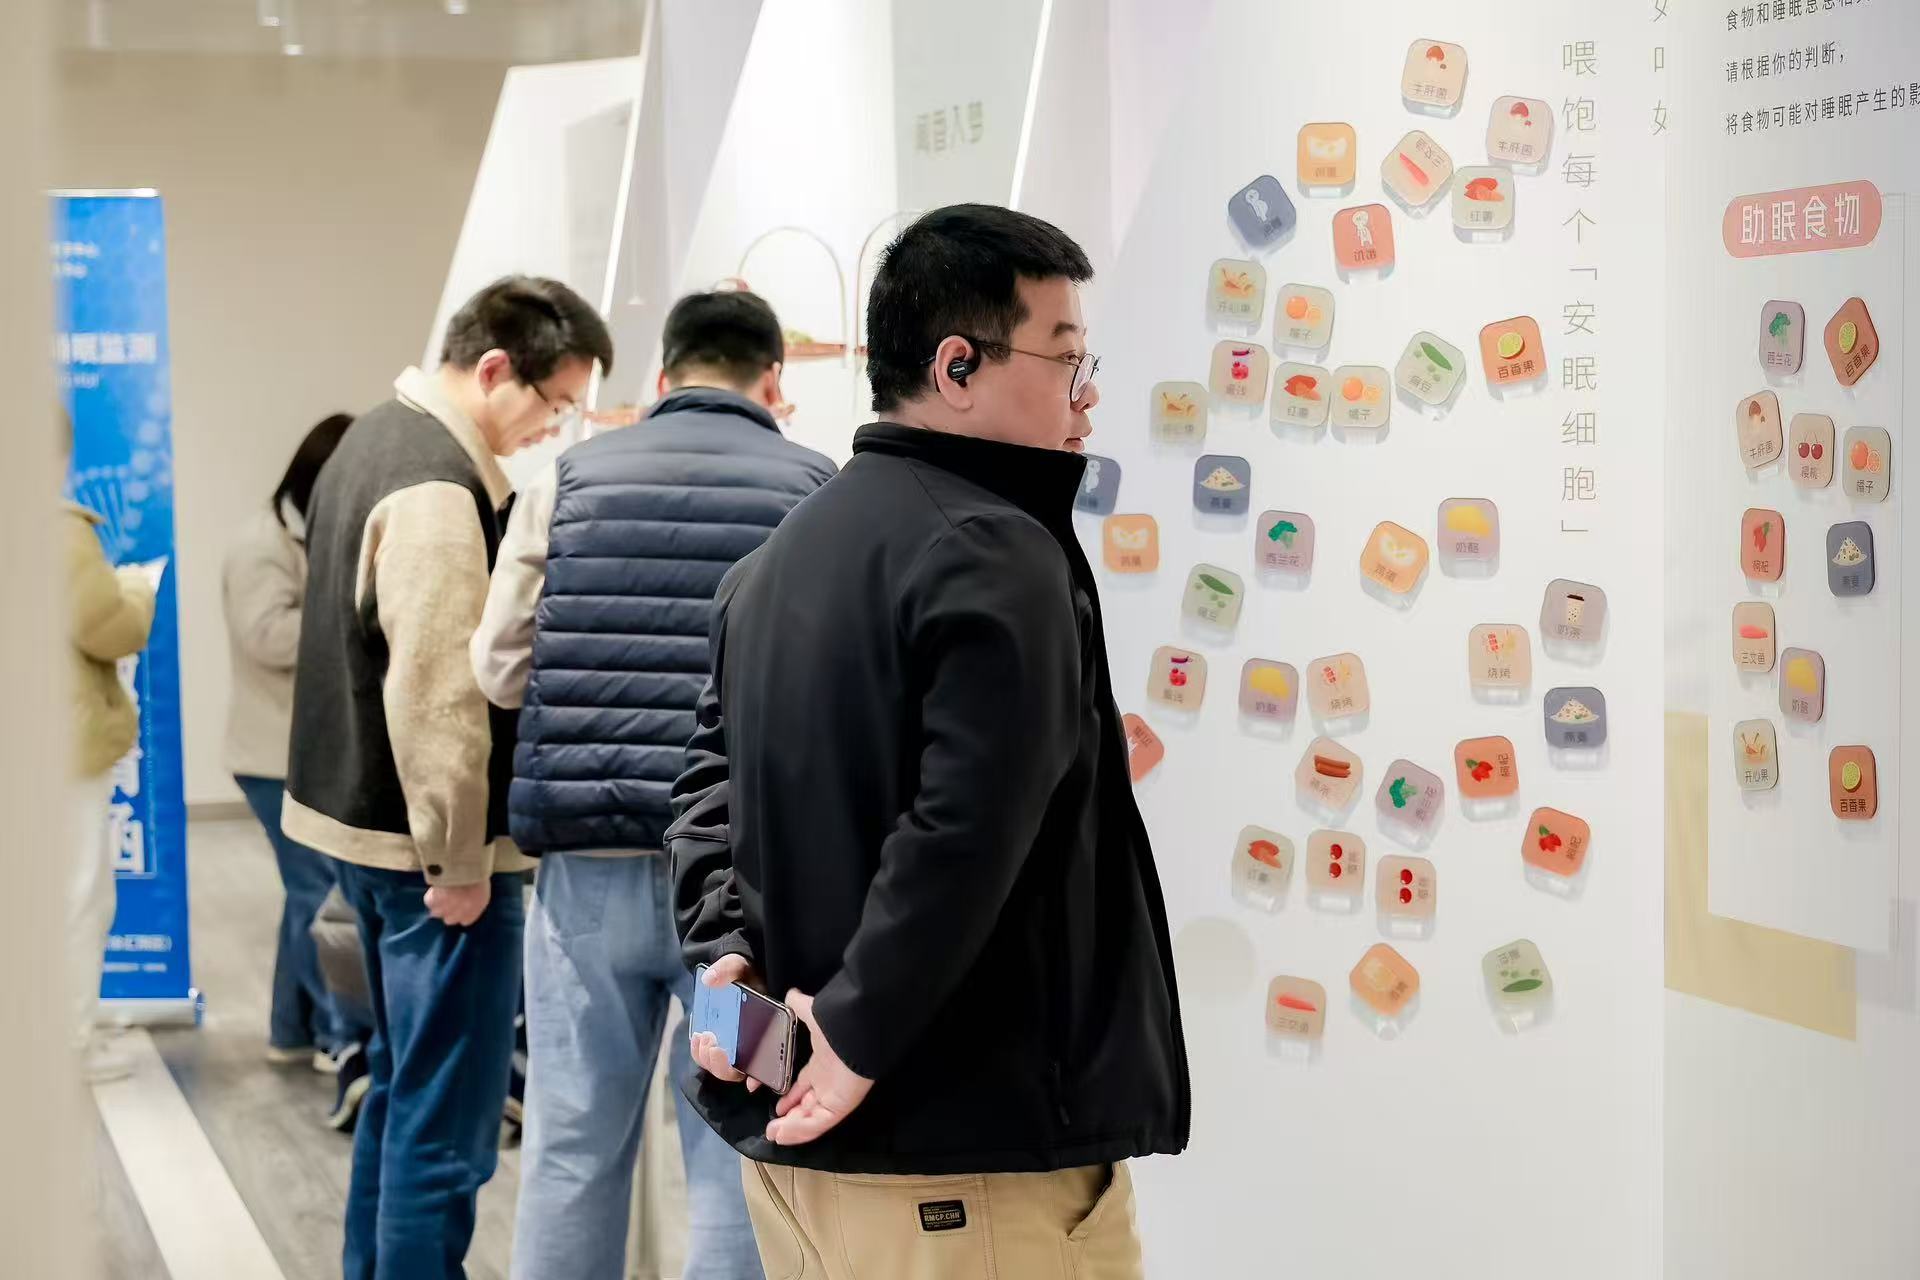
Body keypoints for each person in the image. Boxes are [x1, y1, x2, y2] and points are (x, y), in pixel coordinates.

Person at [669, 204, 1190, 1279]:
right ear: (958, 366)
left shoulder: (773, 563)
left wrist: (730, 976)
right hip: (964, 1162)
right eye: (1065, 357)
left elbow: (706, 799)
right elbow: (961, 831)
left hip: (802, 1155)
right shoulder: (998, 550)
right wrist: (856, 1036)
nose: (1086, 394)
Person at [472, 289, 831, 1280]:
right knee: (737, 1144)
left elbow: (497, 667)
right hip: (742, 900)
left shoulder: (565, 478)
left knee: (572, 1141)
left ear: (664, 377)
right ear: (773, 382)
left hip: (587, 875)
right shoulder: (816, 488)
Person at [282, 275, 612, 1280]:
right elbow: (438, 696)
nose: (550, 429)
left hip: (368, 832)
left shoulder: (370, 440)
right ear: (496, 368)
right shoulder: (432, 484)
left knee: (403, 1089)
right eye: (552, 403)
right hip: (430, 860)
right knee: (448, 1126)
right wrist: (460, 857)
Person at [223, 412, 377, 1125]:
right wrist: (350, 611)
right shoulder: (261, 545)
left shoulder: (307, 532)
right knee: (317, 892)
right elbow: (265, 636)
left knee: (303, 891)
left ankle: (289, 1031)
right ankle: (336, 1036)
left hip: (299, 750)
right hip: (271, 757)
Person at [61, 408, 158, 1085]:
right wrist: (134, 587)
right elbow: (109, 627)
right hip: (60, 743)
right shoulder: (56, 530)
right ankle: (68, 1043)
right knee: (77, 896)